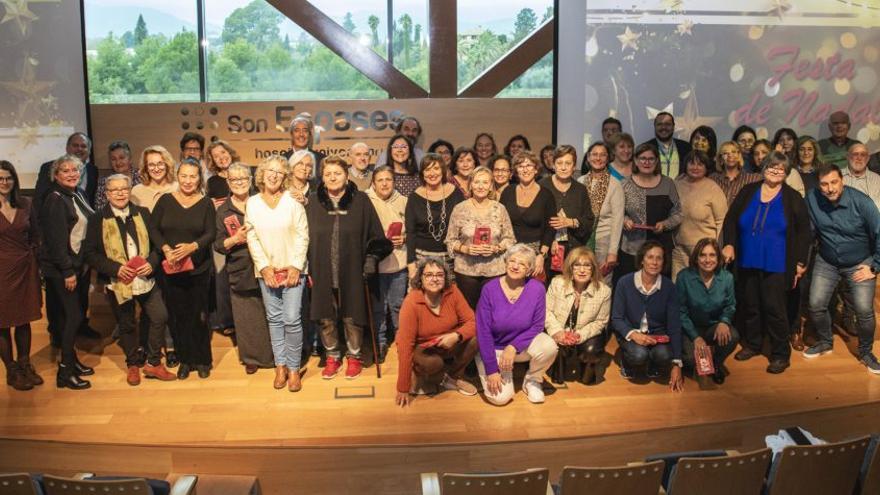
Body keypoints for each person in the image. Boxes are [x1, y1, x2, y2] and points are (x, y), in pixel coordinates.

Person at [82, 174, 176, 386]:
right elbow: (90, 253)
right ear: (107, 194)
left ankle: (153, 362)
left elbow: (156, 244)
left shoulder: (142, 213)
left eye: (124, 189)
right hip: (119, 282)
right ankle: (133, 364)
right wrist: (117, 269)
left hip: (146, 279)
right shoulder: (98, 219)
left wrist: (151, 262)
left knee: (159, 316)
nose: (120, 193)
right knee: (126, 324)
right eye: (115, 190)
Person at [722, 151, 810, 374]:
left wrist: (800, 262)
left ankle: (780, 354)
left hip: (778, 263)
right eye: (772, 167)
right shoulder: (748, 191)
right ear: (764, 169)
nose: (775, 171)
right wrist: (730, 244)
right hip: (747, 259)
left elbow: (803, 233)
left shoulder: (793, 198)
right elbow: (731, 219)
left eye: (780, 168)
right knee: (750, 305)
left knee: (775, 309)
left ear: (787, 173)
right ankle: (752, 344)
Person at [306, 156, 391, 380]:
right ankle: (332, 356)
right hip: (322, 270)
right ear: (322, 178)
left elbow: (377, 236)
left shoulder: (361, 200)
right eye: (328, 174)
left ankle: (354, 357)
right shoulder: (313, 203)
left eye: (337, 173)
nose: (333, 177)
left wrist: (372, 258)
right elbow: (303, 239)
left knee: (352, 316)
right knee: (326, 317)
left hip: (353, 271)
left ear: (346, 175)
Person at [803, 165, 880, 373]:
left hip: (860, 263)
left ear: (842, 181)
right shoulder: (812, 198)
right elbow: (805, 230)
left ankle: (865, 352)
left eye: (834, 182)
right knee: (816, 304)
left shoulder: (861, 202)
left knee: (864, 311)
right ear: (819, 186)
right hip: (827, 260)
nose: (829, 188)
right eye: (824, 184)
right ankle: (826, 341)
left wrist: (874, 267)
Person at [246, 156, 310, 391]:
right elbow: (251, 236)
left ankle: (294, 369)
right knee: (274, 319)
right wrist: (263, 267)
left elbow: (303, 235)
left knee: (291, 319)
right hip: (267, 271)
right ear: (262, 174)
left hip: (293, 270)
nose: (273, 175)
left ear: (285, 178)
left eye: (279, 172)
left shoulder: (293, 202)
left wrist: (295, 266)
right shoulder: (252, 202)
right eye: (269, 171)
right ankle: (280, 366)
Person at [150, 158, 216, 380]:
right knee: (177, 316)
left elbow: (210, 233)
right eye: (184, 176)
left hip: (198, 269)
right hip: (171, 269)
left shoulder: (206, 202)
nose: (188, 181)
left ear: (200, 178)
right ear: (178, 176)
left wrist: (192, 247)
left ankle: (203, 360)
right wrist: (166, 248)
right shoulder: (166, 201)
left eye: (193, 176)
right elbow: (153, 229)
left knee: (199, 316)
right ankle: (185, 360)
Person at [475, 244, 557, 405]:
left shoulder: (537, 289)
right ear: (505, 263)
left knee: (549, 346)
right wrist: (491, 370)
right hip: (494, 350)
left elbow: (537, 326)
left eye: (522, 264)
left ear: (529, 269)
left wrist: (513, 347)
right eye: (512, 261)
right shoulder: (489, 289)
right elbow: (483, 331)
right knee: (500, 399)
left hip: (518, 349)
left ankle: (532, 380)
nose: (515, 266)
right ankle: (501, 372)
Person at [39, 155, 95, 389]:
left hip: (77, 265)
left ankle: (71, 360)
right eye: (66, 171)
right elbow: (56, 241)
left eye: (76, 170)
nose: (72, 174)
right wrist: (67, 271)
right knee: (72, 317)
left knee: (73, 315)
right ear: (56, 175)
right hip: (62, 269)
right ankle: (65, 371)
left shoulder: (77, 193)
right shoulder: (55, 199)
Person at [214, 164, 274, 376]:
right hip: (240, 268)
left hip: (268, 265)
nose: (239, 182)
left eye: (243, 178)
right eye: (234, 179)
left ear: (250, 179)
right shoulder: (223, 210)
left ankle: (275, 354)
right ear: (228, 183)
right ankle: (251, 358)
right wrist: (235, 239)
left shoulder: (262, 201)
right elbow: (218, 245)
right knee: (246, 316)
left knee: (270, 313)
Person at [395, 257, 479, 406]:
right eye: (429, 275)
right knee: (434, 363)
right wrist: (403, 387)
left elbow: (473, 321)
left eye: (439, 275)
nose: (434, 279)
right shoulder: (412, 301)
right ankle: (418, 373)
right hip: (422, 347)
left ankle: (453, 378)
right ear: (420, 278)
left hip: (449, 341)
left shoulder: (453, 291)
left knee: (477, 338)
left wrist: (456, 336)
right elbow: (405, 344)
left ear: (445, 277)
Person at [611, 241, 684, 391]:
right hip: (632, 333)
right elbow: (616, 319)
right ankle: (627, 361)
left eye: (659, 258)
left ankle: (653, 362)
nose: (654, 262)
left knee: (664, 355)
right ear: (642, 259)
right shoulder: (624, 282)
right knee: (638, 354)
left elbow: (674, 325)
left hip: (657, 336)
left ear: (664, 262)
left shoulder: (669, 287)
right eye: (650, 257)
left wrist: (676, 363)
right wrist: (634, 335)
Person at [446, 167, 516, 309]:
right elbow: (450, 241)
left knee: (492, 310)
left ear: (491, 186)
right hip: (466, 271)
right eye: (477, 182)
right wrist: (466, 249)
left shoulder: (500, 208)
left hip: (495, 270)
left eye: (485, 182)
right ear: (471, 184)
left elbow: (510, 239)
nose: (480, 186)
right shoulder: (459, 209)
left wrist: (496, 248)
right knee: (469, 311)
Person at [0, 161, 43, 390]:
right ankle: (12, 369)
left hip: (25, 268)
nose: (4, 182)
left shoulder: (26, 203)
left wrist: (34, 259)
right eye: (0, 179)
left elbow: (36, 235)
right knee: (3, 322)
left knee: (24, 318)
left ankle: (25, 363)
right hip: (1, 271)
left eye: (8, 178)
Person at [676, 238, 739, 386]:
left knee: (733, 336)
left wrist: (724, 321)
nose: (707, 260)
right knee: (691, 360)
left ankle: (716, 363)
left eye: (712, 255)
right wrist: (695, 337)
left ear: (718, 258)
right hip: (689, 327)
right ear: (696, 259)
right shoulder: (684, 277)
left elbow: (730, 305)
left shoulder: (727, 278)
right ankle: (691, 361)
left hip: (713, 327)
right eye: (702, 255)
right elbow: (680, 311)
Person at [545, 247, 611, 385]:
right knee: (558, 378)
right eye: (577, 265)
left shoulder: (604, 291)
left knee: (591, 352)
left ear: (593, 269)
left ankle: (587, 366)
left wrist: (580, 335)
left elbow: (601, 322)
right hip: (559, 330)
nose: (582, 270)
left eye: (587, 266)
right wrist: (557, 332)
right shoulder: (557, 283)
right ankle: (558, 363)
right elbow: (546, 311)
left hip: (586, 334)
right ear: (570, 267)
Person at [618, 143, 682, 278]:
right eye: (642, 158)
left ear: (657, 161)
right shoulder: (625, 184)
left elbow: (678, 214)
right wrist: (625, 220)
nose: (646, 162)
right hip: (631, 249)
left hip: (660, 250)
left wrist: (665, 224)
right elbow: (617, 213)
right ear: (635, 160)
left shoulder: (668, 184)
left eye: (651, 158)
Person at [365, 166, 409, 362]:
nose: (384, 183)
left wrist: (405, 238)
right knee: (378, 308)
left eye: (388, 180)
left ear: (394, 182)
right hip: (375, 265)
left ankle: (402, 341)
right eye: (380, 180)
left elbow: (414, 229)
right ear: (373, 183)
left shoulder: (404, 201)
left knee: (398, 305)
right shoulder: (364, 200)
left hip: (398, 264)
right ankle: (381, 342)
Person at [405, 153, 465, 275]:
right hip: (421, 258)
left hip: (451, 257)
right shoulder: (414, 197)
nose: (432, 173)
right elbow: (410, 233)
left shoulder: (456, 193)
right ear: (422, 173)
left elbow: (465, 226)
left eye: (436, 168)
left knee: (449, 294)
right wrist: (411, 264)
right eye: (427, 169)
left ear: (443, 170)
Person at [540, 145, 595, 277]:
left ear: (574, 166)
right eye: (559, 163)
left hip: (573, 253)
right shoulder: (542, 186)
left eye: (568, 163)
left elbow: (589, 221)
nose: (563, 167)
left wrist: (571, 222)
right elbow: (536, 221)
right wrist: (548, 240)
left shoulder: (580, 190)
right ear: (553, 165)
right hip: (547, 252)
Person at [672, 150, 727, 280]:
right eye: (692, 163)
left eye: (700, 164)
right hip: (679, 251)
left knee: (701, 291)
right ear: (685, 165)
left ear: (706, 167)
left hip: (705, 253)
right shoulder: (676, 184)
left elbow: (721, 221)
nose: (695, 167)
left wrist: (717, 251)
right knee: (679, 292)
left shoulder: (713, 189)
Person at [205, 140, 240, 338]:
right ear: (213, 161)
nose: (221, 157)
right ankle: (226, 320)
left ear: (230, 152)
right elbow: (210, 208)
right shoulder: (212, 182)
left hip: (244, 232)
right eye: (216, 156)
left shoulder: (244, 172)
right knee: (221, 278)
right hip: (221, 233)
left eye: (223, 152)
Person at [578, 142, 625, 284]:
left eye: (602, 155)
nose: (598, 158)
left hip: (604, 241)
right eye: (594, 154)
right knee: (582, 283)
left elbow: (618, 221)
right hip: (582, 239)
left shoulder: (615, 184)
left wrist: (612, 252)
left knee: (602, 284)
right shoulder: (580, 181)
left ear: (608, 158)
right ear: (588, 158)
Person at [35, 132, 97, 211]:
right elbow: (39, 198)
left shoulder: (93, 170)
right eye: (75, 145)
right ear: (67, 148)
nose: (79, 149)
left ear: (89, 151)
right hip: (56, 216)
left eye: (83, 146)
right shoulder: (49, 167)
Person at [639, 112, 691, 178]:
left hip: (680, 187)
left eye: (667, 124)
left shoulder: (686, 147)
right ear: (655, 126)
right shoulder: (644, 148)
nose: (663, 127)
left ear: (673, 126)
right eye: (659, 124)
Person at [95, 141, 141, 212]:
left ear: (130, 159)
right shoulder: (104, 182)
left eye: (121, 158)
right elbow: (100, 209)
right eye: (113, 159)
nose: (118, 162)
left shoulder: (142, 177)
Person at [711, 141, 761, 206]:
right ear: (720, 159)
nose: (730, 155)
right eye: (725, 153)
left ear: (739, 156)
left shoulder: (753, 178)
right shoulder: (713, 179)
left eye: (734, 152)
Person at [131, 146, 178, 212]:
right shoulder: (136, 191)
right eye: (151, 165)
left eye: (160, 164)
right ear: (146, 167)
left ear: (167, 165)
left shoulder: (177, 188)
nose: (156, 169)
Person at [283, 114, 326, 181]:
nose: (301, 134)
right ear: (291, 135)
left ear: (309, 135)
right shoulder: (283, 160)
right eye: (297, 130)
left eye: (305, 131)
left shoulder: (322, 160)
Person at [843, 143, 880, 209]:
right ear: (848, 157)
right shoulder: (837, 176)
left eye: (863, 155)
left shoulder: (877, 179)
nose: (859, 158)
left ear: (868, 159)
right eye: (855, 154)